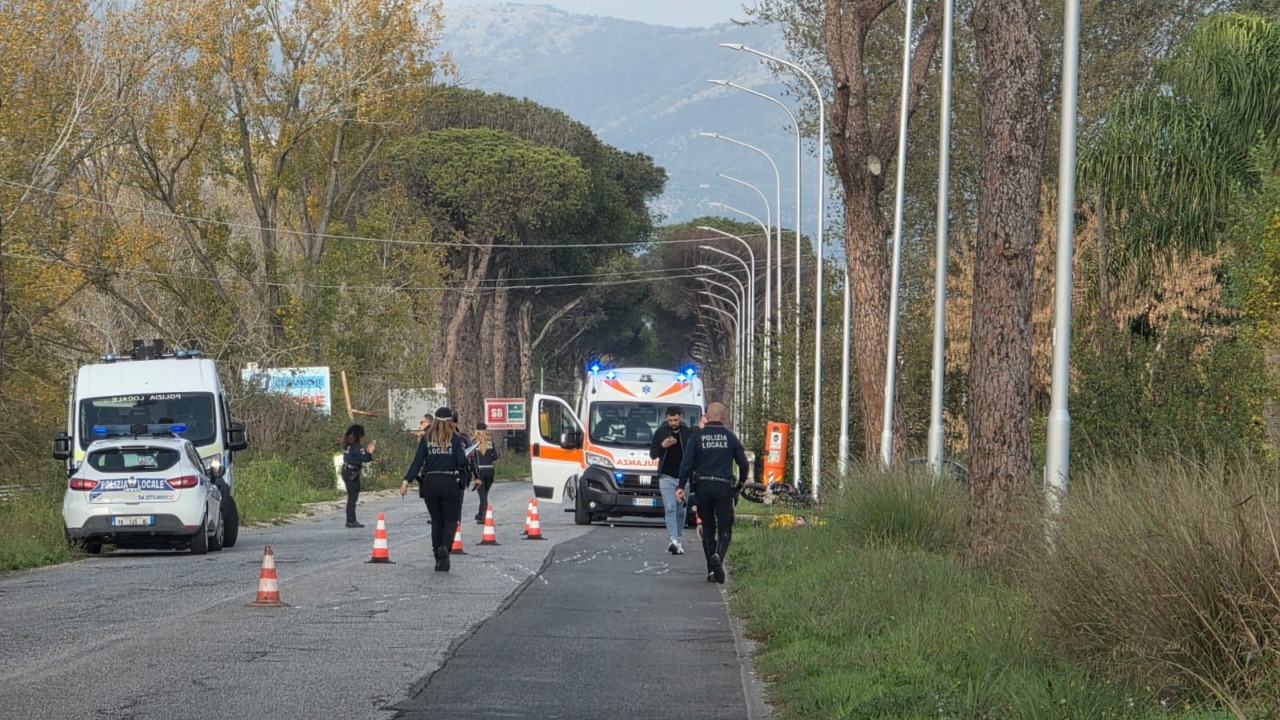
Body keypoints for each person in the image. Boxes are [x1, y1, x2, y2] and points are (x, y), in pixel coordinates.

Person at [676, 402, 748, 584]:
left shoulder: (697, 438)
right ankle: (718, 556)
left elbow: (686, 464)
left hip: (703, 486)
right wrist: (740, 484)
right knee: (725, 528)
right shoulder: (730, 438)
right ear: (724, 418)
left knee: (708, 527)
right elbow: (744, 464)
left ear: (707, 416)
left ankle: (710, 570)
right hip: (723, 487)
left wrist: (680, 486)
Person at [401, 406, 469, 571]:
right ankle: (445, 546)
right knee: (451, 519)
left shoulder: (426, 438)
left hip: (430, 482)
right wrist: (464, 477)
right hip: (449, 481)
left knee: (437, 521)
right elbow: (462, 462)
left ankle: (438, 558)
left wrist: (406, 480)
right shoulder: (456, 439)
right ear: (450, 420)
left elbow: (417, 462)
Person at [649, 406, 690, 555]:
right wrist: (663, 446)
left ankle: (678, 539)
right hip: (666, 477)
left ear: (681, 418)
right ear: (667, 419)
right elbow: (653, 454)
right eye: (670, 420)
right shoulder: (661, 432)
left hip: (684, 478)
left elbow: (693, 454)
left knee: (681, 510)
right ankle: (673, 539)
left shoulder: (687, 433)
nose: (673, 423)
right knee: (670, 507)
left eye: (676, 420)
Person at [341, 424, 376, 529]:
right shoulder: (357, 447)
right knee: (353, 497)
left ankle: (350, 519)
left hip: (346, 471)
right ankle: (351, 520)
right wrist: (370, 452)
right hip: (352, 472)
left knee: (351, 496)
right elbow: (366, 458)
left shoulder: (348, 446)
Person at [470, 422, 500, 523]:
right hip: (490, 470)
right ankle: (480, 514)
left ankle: (484, 516)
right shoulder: (491, 443)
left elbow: (470, 458)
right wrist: (489, 459)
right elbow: (496, 455)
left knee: (482, 496)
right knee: (484, 495)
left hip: (480, 471)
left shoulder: (473, 444)